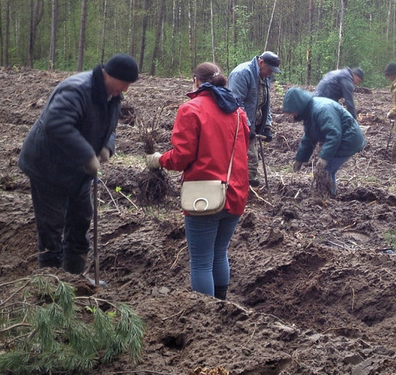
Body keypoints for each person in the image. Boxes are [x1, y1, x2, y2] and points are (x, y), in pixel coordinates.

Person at [19, 54, 139, 274]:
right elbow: (57, 124)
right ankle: (51, 289)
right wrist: (87, 156)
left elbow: (109, 127)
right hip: (48, 168)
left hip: (78, 171)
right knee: (52, 227)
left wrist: (106, 148)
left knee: (81, 219)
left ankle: (75, 280)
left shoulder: (113, 95)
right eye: (124, 84)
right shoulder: (77, 90)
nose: (126, 90)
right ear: (109, 75)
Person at [146, 63, 249, 300]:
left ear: (195, 81)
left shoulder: (190, 110)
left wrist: (159, 160)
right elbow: (245, 147)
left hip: (204, 196)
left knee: (201, 262)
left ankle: (206, 315)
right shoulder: (237, 112)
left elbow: (182, 157)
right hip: (235, 193)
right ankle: (221, 307)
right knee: (219, 252)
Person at [283, 87, 366, 196]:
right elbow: (309, 138)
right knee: (328, 170)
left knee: (324, 170)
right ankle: (330, 195)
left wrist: (324, 158)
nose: (292, 115)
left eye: (292, 111)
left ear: (299, 106)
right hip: (342, 139)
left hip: (349, 140)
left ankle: (327, 198)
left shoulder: (322, 109)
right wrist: (300, 159)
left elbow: (334, 134)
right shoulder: (310, 112)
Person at [228, 51, 280, 187]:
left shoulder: (265, 76)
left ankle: (245, 184)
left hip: (253, 124)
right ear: (261, 62)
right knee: (249, 157)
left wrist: (266, 126)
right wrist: (246, 125)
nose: (270, 73)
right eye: (269, 69)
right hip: (239, 123)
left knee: (250, 156)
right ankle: (244, 186)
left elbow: (265, 102)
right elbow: (236, 102)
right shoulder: (242, 73)